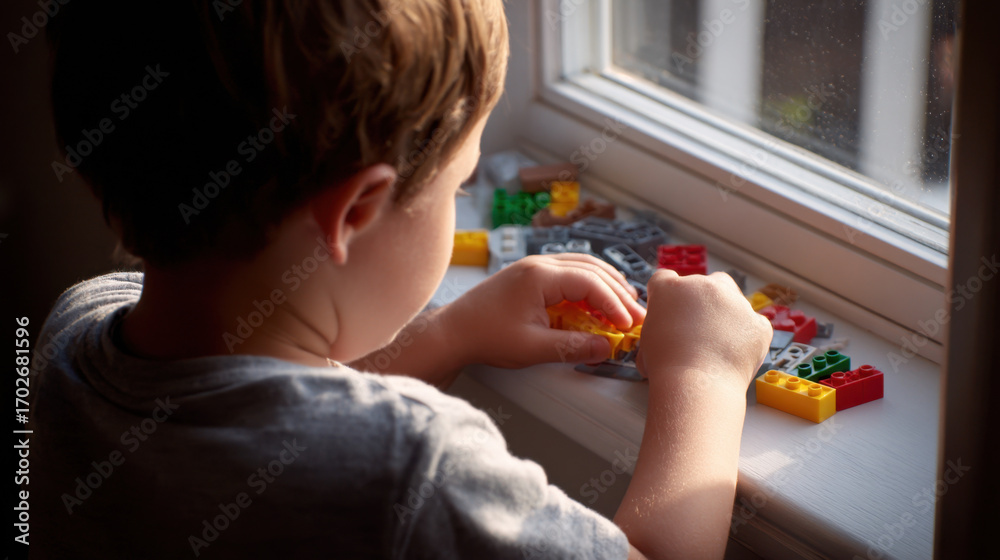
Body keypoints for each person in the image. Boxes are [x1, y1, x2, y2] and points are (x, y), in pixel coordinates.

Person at [31, 0, 772, 558]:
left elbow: (248, 399)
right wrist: (702, 379)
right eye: (459, 185)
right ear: (355, 212)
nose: (459, 201)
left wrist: (451, 330)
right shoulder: (411, 467)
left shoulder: (70, 332)